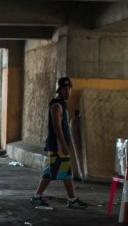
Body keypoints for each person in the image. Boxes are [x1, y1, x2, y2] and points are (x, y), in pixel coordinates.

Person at [30, 76, 89, 210]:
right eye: (65, 89)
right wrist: (63, 144)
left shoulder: (62, 104)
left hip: (57, 145)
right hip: (57, 146)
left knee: (52, 172)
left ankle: (38, 197)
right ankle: (72, 200)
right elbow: (56, 126)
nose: (68, 92)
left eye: (69, 89)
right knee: (64, 172)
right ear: (59, 90)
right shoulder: (56, 105)